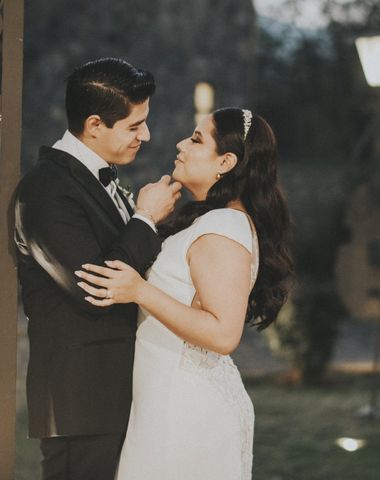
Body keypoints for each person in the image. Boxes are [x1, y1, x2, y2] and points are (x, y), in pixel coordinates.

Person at [76, 107, 292, 479]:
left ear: (225, 161)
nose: (180, 144)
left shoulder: (225, 225)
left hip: (186, 413)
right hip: (166, 403)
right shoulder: (210, 220)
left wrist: (139, 290)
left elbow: (224, 333)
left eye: (195, 139)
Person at [14, 58, 181, 480]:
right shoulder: (47, 189)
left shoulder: (93, 180)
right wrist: (144, 219)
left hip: (114, 395)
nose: (146, 135)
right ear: (93, 125)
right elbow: (98, 290)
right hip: (81, 401)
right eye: (134, 125)